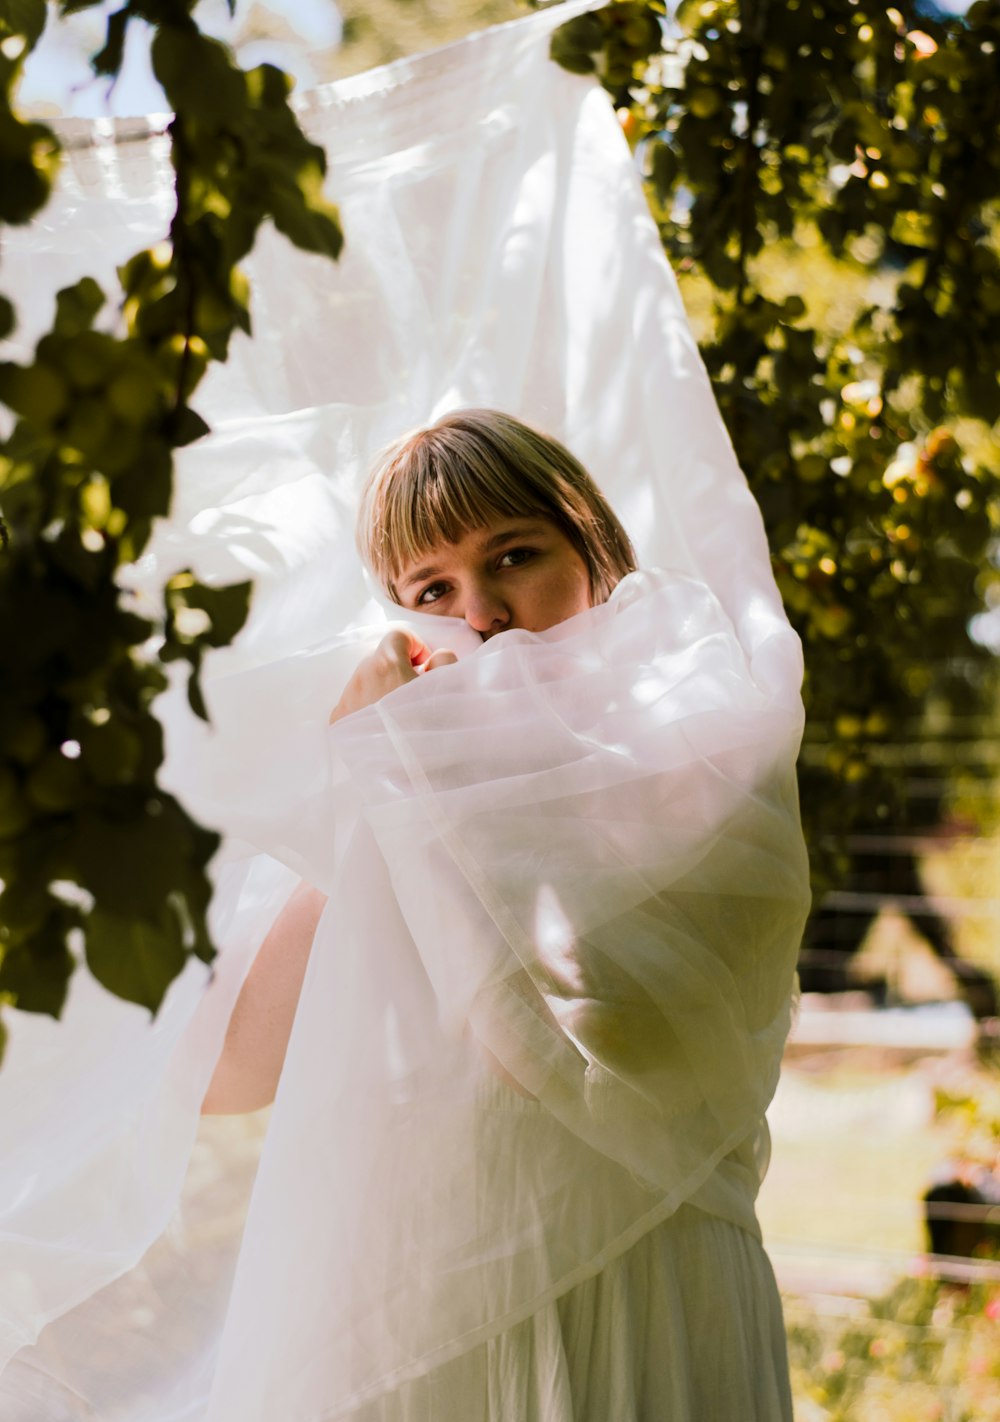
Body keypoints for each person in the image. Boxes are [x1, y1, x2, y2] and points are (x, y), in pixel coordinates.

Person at [201, 408, 810, 1421]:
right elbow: (234, 1071)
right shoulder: (410, 810)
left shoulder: (705, 748)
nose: (479, 613)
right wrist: (373, 790)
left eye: (513, 556)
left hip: (647, 1293)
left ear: (595, 557)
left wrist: (410, 804)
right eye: (430, 590)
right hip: (438, 1312)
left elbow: (583, 1044)